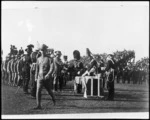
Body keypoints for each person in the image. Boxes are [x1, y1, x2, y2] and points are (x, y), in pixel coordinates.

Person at [34, 44, 55, 109]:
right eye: (41, 50)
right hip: (40, 77)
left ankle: (53, 99)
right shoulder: (38, 59)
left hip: (47, 77)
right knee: (38, 90)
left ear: (46, 50)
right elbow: (37, 69)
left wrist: (48, 74)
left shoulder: (49, 59)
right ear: (40, 51)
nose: (42, 51)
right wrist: (35, 77)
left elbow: (52, 68)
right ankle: (38, 105)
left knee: (49, 90)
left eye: (44, 50)